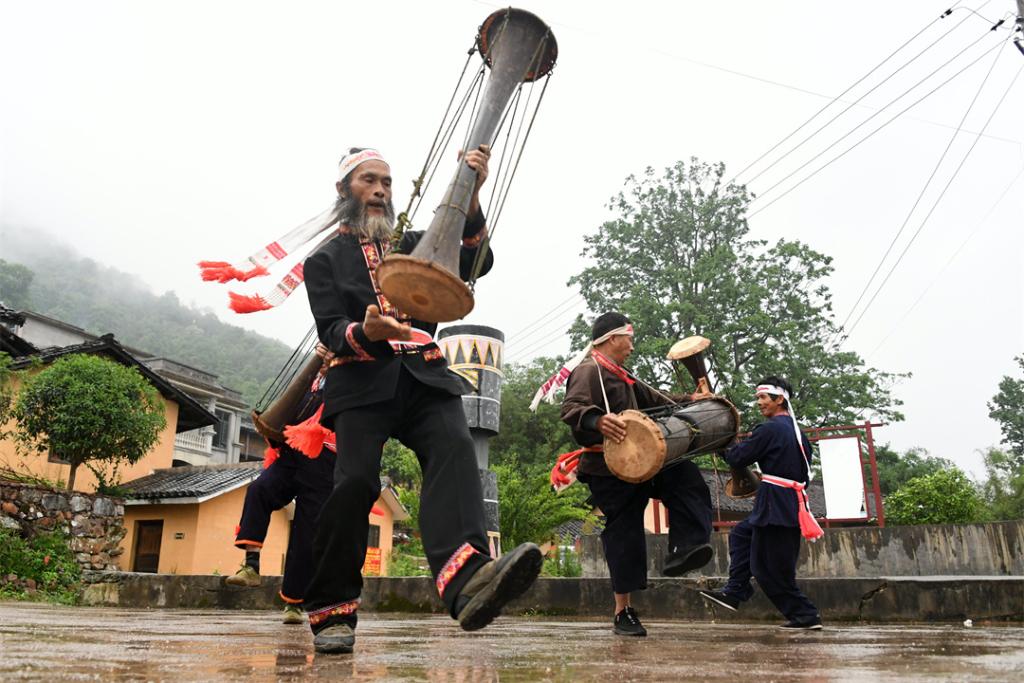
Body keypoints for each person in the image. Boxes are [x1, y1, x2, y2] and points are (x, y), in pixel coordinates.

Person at [301, 145, 542, 654]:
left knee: (455, 449)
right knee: (356, 483)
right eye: (369, 181)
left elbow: (476, 258)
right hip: (361, 382)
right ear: (345, 190)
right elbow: (332, 328)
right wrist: (364, 329)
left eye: (387, 182)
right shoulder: (323, 260)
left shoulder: (414, 244)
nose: (381, 190)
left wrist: (472, 195)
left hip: (424, 375)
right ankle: (331, 611)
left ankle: (468, 581)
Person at [559, 312, 714, 637]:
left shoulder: (623, 374)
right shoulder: (589, 370)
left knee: (685, 475)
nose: (631, 345)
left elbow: (659, 401)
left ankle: (684, 548)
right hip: (606, 468)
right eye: (628, 338)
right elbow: (571, 409)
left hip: (644, 461)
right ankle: (623, 611)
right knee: (624, 531)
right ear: (612, 338)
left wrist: (693, 401)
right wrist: (598, 421)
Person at [699, 376, 824, 630]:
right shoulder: (798, 434)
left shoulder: (769, 429)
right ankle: (735, 591)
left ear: (780, 400)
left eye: (763, 397)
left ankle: (805, 614)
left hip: (775, 505)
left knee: (768, 569)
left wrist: (720, 438)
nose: (759, 403)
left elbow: (737, 456)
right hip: (788, 502)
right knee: (741, 535)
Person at [226, 344, 336, 625]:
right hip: (291, 455)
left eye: (333, 355)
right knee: (260, 490)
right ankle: (251, 566)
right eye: (325, 354)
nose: (326, 360)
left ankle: (294, 604)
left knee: (305, 533)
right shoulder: (309, 382)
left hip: (324, 462)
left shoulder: (349, 380)